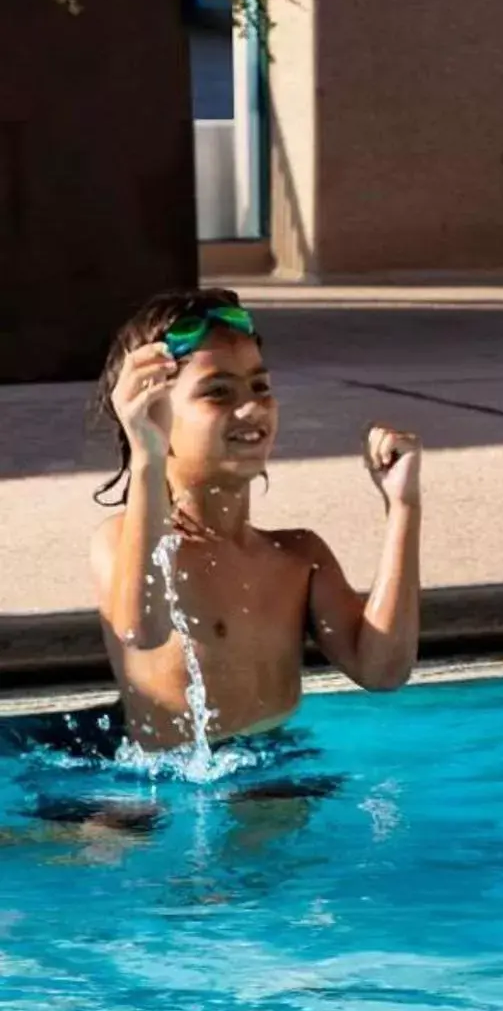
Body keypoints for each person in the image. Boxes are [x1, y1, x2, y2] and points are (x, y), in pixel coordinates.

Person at [85, 290, 423, 753]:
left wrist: (403, 508)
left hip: (277, 775)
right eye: (217, 392)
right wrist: (146, 453)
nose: (252, 408)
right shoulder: (123, 541)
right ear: (151, 413)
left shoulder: (299, 556)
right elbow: (140, 631)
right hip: (161, 799)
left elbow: (382, 672)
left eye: (260, 386)